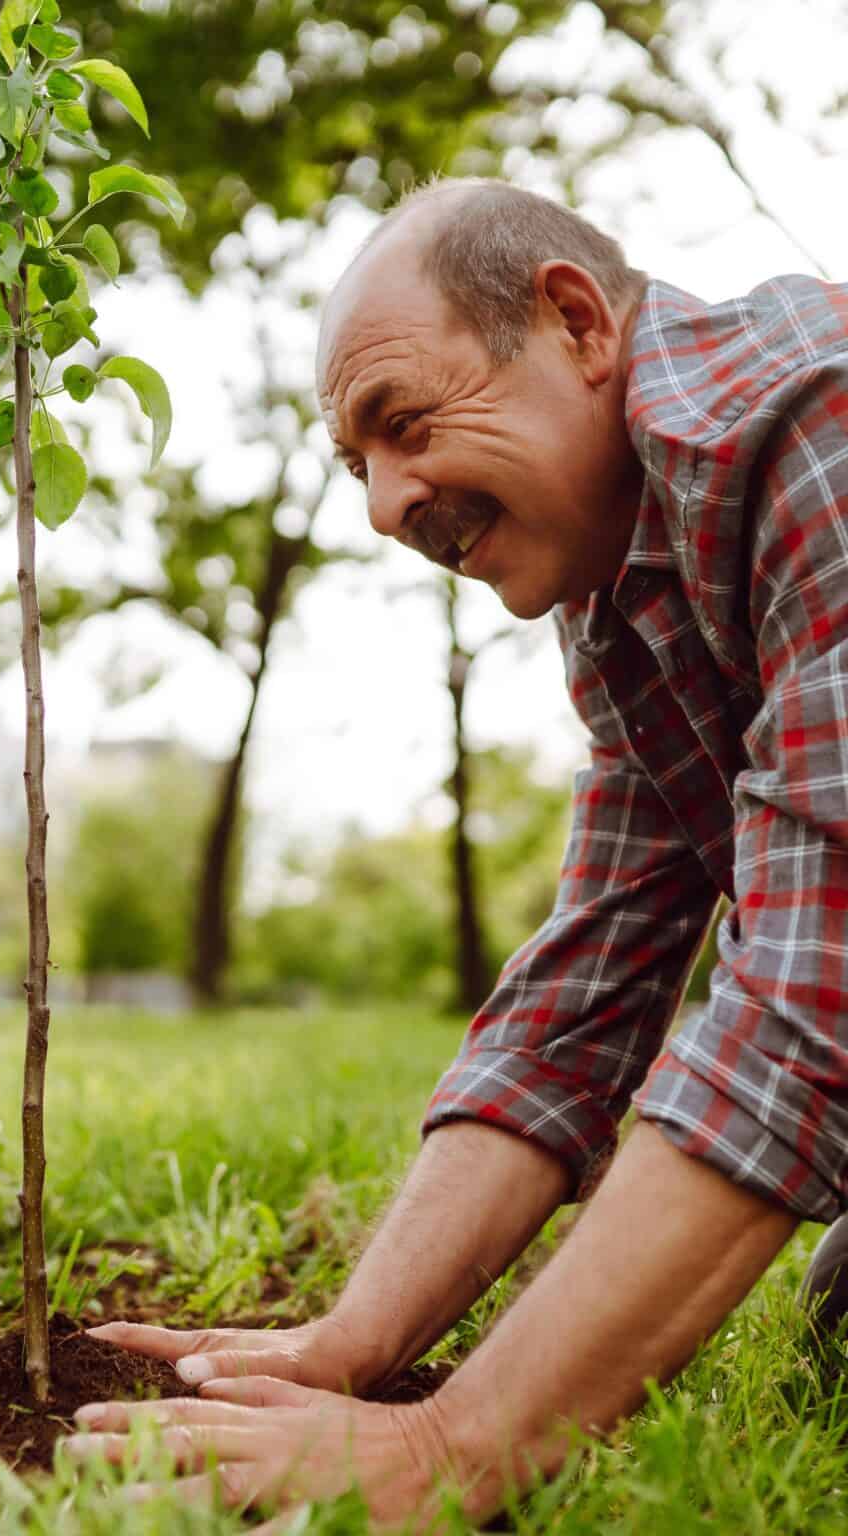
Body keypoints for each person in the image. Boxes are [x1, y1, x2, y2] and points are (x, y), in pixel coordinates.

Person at [63, 180, 848, 1524]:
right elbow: (579, 1004)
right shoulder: (623, 585)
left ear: (575, 322)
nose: (380, 508)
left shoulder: (818, 431)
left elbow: (811, 984)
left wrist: (458, 1449)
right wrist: (350, 1350)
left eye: (403, 426)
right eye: (355, 463)